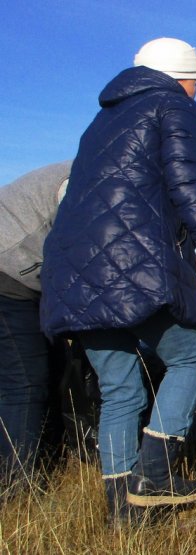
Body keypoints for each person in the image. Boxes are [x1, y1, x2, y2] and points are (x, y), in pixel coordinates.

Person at [40, 38, 196, 525]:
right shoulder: (171, 105)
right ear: (182, 76)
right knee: (192, 354)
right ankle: (154, 474)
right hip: (129, 265)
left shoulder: (102, 120)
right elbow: (187, 185)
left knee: (121, 389)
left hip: (72, 274)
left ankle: (121, 509)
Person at [0, 161, 71, 496]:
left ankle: (49, 460)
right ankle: (17, 486)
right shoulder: (80, 181)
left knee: (58, 369)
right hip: (6, 275)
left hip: (32, 283)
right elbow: (78, 251)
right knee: (25, 381)